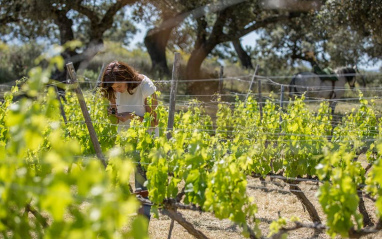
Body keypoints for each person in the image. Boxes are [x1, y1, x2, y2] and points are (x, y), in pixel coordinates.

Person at [100, 60, 158, 220]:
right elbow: (114, 110)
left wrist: (131, 116)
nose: (117, 90)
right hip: (124, 140)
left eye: (119, 86)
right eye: (113, 88)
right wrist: (112, 113)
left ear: (126, 77)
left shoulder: (145, 87)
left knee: (142, 187)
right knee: (117, 181)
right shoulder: (113, 89)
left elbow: (154, 121)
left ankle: (142, 227)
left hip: (145, 140)